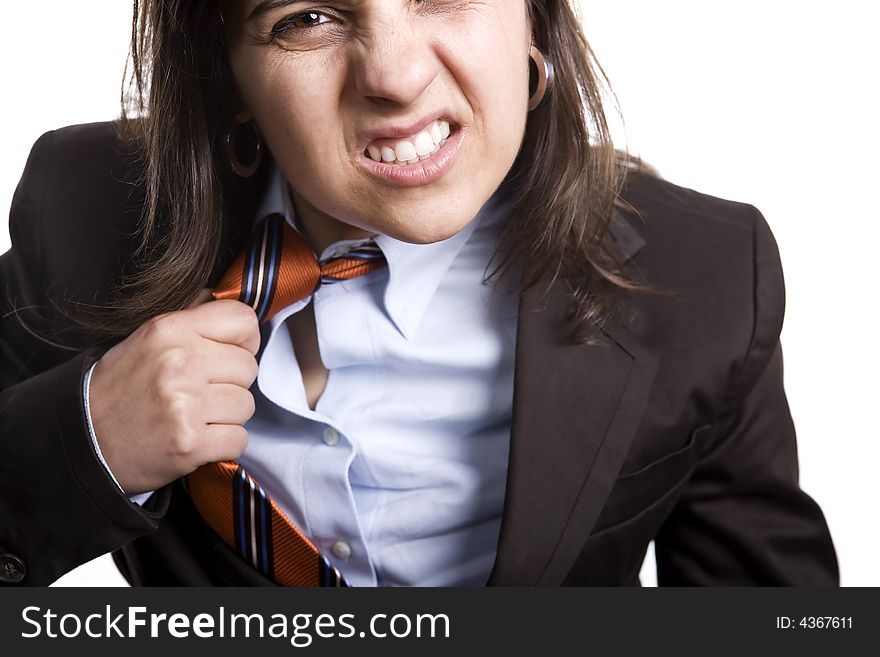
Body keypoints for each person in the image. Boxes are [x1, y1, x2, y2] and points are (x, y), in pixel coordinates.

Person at [0, 0, 838, 587]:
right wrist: (85, 444)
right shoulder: (80, 213)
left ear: (534, 18)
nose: (395, 77)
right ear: (226, 73)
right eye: (307, 17)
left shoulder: (709, 277)